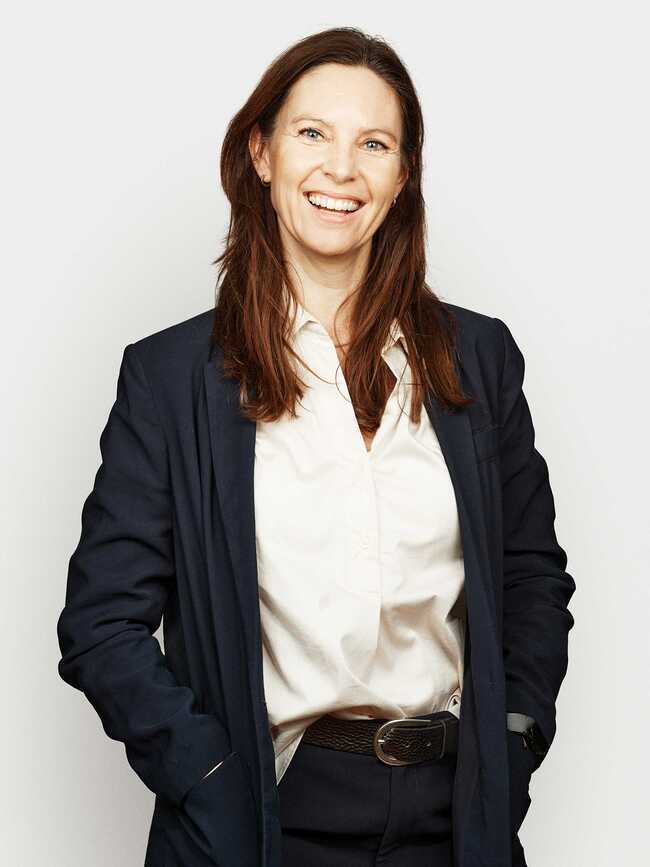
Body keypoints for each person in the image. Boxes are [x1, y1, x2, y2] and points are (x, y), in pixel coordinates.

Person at [56, 26, 576, 867]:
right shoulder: (172, 378)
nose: (342, 168)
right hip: (266, 821)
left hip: (456, 823)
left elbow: (531, 577)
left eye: (374, 143)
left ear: (402, 174)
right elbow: (100, 622)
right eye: (312, 133)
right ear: (261, 153)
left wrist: (514, 738)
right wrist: (210, 777)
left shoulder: (479, 359)